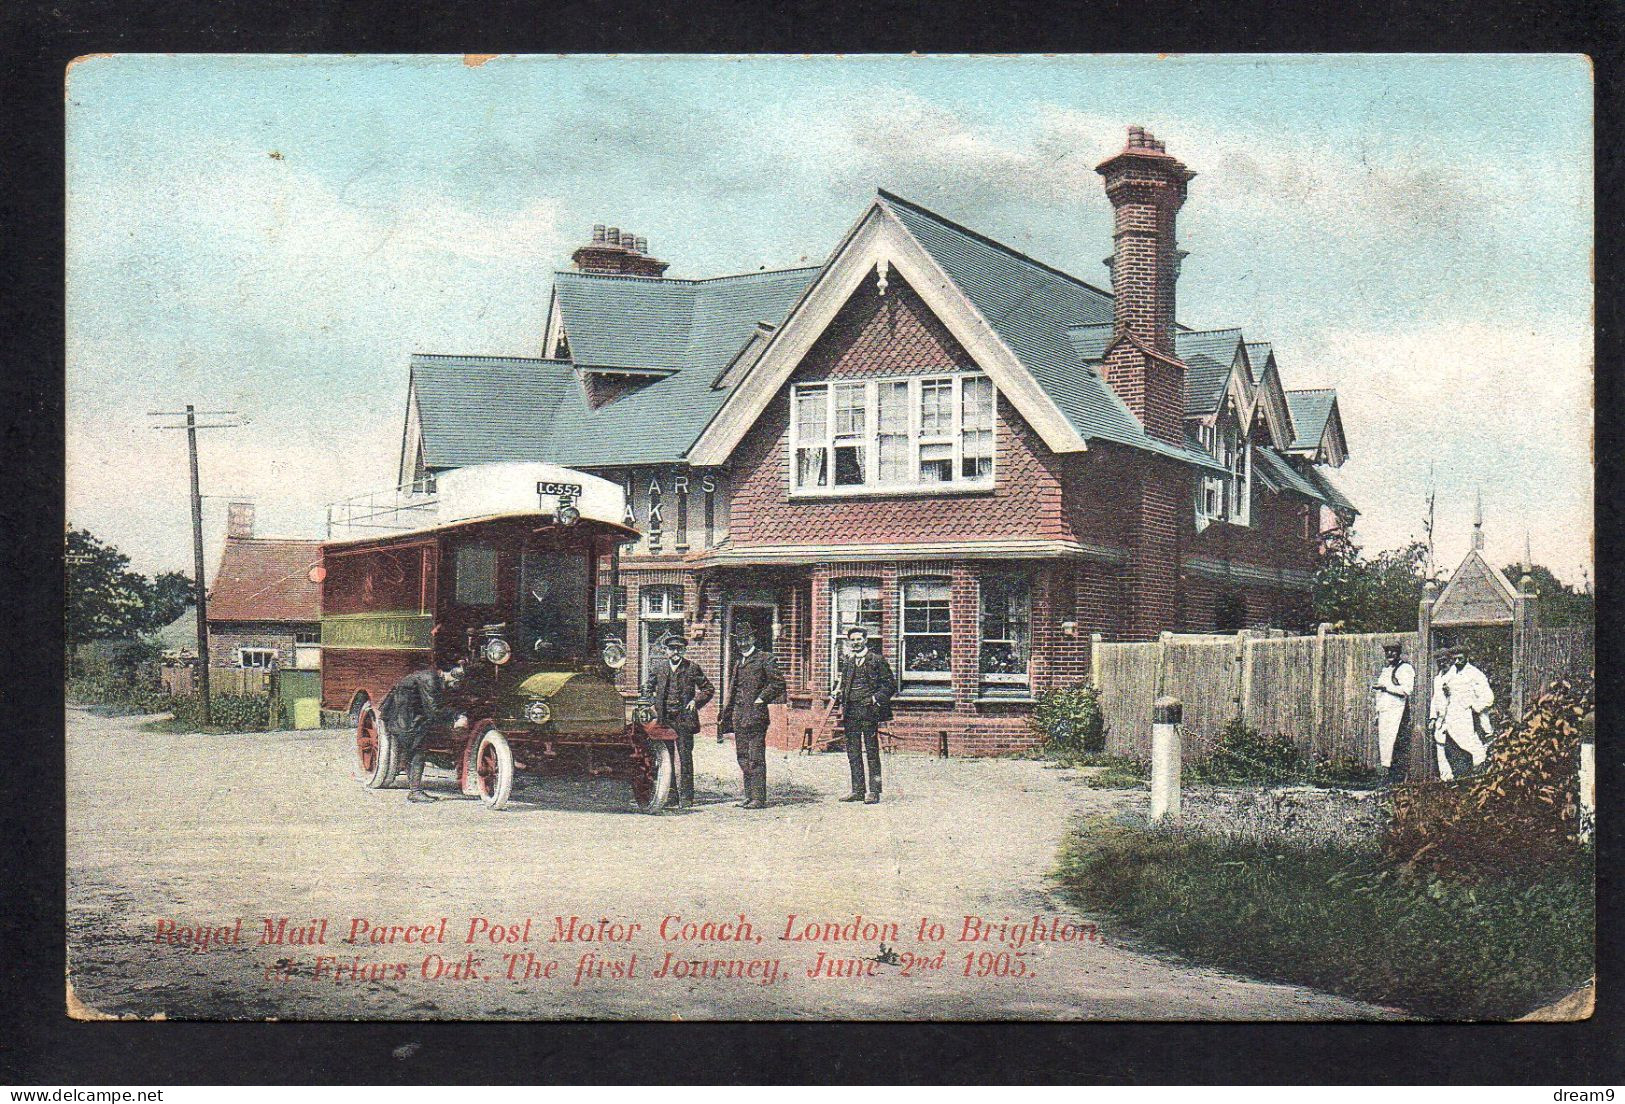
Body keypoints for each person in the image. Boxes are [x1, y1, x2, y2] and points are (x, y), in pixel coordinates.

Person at [717, 624, 785, 809]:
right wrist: (727, 714)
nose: (742, 643)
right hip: (739, 716)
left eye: (746, 638)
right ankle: (749, 796)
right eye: (739, 640)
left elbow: (778, 684)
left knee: (755, 757)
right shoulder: (739, 662)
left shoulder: (765, 659)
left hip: (756, 716)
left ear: (753, 639)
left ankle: (758, 798)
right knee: (743, 756)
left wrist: (761, 699)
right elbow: (733, 691)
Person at [379, 662, 468, 803]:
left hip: (410, 714)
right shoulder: (430, 680)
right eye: (456, 678)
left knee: (415, 749)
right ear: (448, 672)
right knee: (418, 751)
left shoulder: (434, 678)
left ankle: (414, 789)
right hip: (404, 716)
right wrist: (457, 716)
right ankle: (415, 792)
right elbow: (434, 710)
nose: (456, 683)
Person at [641, 634, 714, 808]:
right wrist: (651, 703)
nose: (675, 652)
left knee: (685, 757)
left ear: (683, 650)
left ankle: (687, 798)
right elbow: (647, 688)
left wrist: (695, 701)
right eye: (672, 649)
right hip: (664, 720)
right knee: (667, 758)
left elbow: (708, 688)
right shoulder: (659, 668)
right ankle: (671, 796)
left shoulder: (692, 668)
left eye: (679, 649)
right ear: (666, 650)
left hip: (684, 720)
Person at [833, 626, 896, 804]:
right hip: (851, 711)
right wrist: (839, 693)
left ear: (866, 640)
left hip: (869, 711)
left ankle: (874, 791)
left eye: (859, 639)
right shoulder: (849, 661)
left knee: (871, 751)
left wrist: (876, 699)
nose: (855, 643)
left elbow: (890, 685)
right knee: (853, 751)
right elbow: (844, 685)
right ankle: (857, 790)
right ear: (849, 642)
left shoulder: (877, 660)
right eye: (852, 640)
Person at [1429, 646, 1494, 781]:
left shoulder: (1474, 674)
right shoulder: (1445, 676)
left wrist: (1473, 708)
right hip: (1448, 718)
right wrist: (1433, 717)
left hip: (1467, 716)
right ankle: (1448, 779)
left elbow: (1488, 698)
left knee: (1471, 746)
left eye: (1460, 658)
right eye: (1455, 659)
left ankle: (1482, 773)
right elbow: (1437, 698)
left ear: (1467, 657)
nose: (1457, 662)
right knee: (1444, 747)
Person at [1371, 643, 1415, 783]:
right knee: (1386, 746)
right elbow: (1380, 694)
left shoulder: (1405, 669)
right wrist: (1378, 713)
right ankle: (1389, 778)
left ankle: (1398, 780)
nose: (1390, 654)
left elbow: (1407, 690)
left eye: (1393, 651)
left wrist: (1387, 687)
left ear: (1399, 653)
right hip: (1386, 714)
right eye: (1387, 651)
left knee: (1397, 746)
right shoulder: (1386, 670)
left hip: (1398, 714)